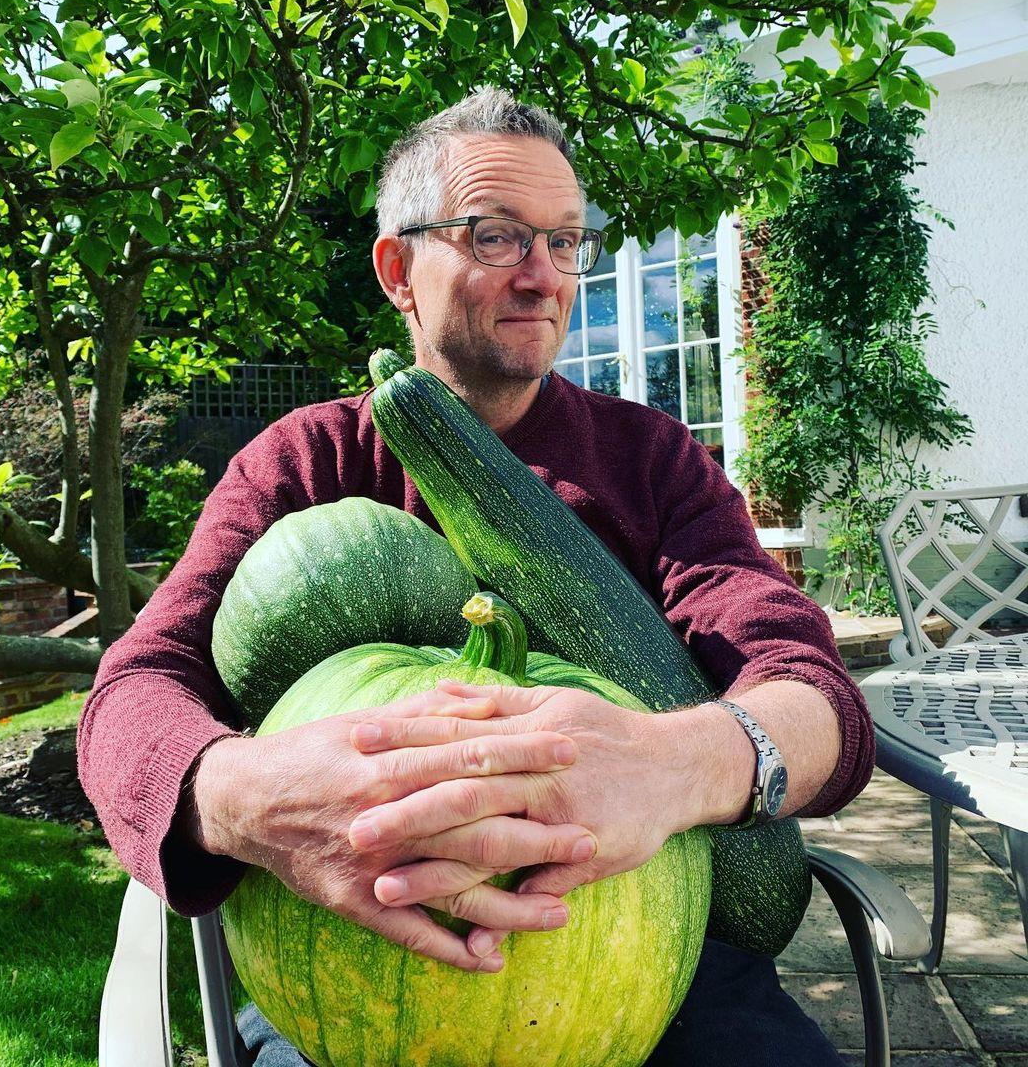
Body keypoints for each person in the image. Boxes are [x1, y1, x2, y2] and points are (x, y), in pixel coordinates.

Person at [79, 88, 874, 1065]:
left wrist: (679, 764)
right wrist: (241, 794)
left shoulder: (651, 459)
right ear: (397, 269)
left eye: (568, 241)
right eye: (497, 236)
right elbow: (133, 691)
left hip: (669, 978)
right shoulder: (308, 464)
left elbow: (811, 692)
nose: (545, 276)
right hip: (355, 975)